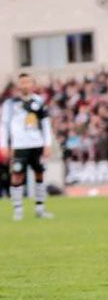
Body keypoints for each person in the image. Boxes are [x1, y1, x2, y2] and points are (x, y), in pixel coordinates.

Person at [1, 73, 54, 220]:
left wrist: (47, 144)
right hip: (19, 145)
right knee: (17, 175)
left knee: (40, 173)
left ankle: (40, 208)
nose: (25, 85)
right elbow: (4, 126)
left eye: (28, 82)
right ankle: (18, 210)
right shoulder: (10, 104)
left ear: (33, 84)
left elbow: (45, 124)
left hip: (36, 144)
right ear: (18, 85)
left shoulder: (39, 101)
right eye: (22, 82)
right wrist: (4, 145)